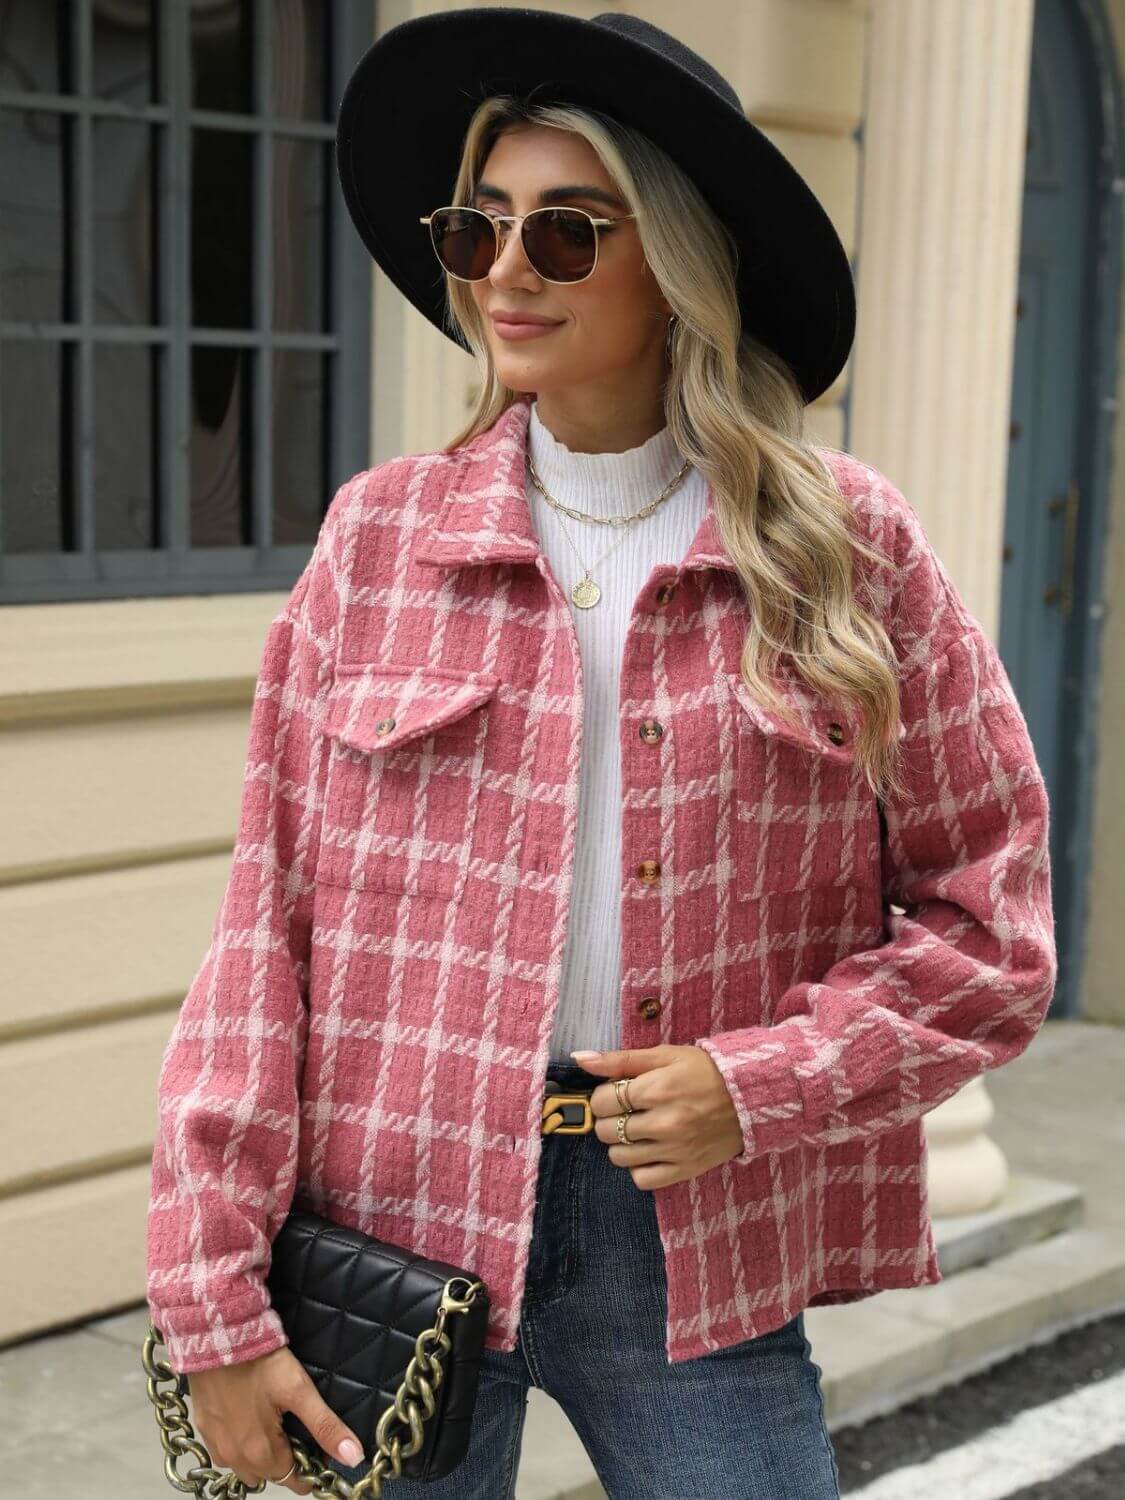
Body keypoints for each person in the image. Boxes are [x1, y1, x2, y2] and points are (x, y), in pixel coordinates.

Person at [145, 10, 1057, 1499]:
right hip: (390, 1218)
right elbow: (266, 933)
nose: (505, 271)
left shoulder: (841, 550)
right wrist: (211, 1297)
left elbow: (990, 926)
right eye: (477, 228)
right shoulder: (380, 540)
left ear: (680, 259)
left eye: (568, 234)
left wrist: (760, 1081)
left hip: (685, 1232)